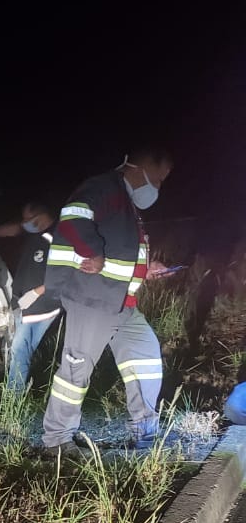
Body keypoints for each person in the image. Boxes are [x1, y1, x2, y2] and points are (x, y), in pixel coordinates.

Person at [40, 148, 177, 458]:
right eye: (159, 177)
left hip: (123, 303)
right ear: (143, 166)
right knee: (76, 370)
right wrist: (92, 251)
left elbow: (123, 252)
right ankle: (57, 442)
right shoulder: (104, 188)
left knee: (146, 358)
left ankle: (144, 434)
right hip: (94, 299)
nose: (158, 185)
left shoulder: (126, 203)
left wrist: (147, 269)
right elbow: (74, 215)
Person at [5, 201, 60, 391]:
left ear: (41, 215)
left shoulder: (56, 237)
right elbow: (14, 229)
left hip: (41, 305)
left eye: (28, 219)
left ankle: (13, 400)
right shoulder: (35, 236)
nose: (25, 223)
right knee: (20, 350)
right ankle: (15, 394)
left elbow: (65, 272)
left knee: (20, 350)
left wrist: (36, 292)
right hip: (24, 304)